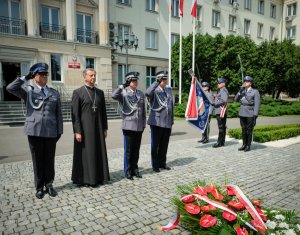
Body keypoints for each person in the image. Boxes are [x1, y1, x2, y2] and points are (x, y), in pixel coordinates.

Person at [6, 63, 63, 199]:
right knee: (37, 161)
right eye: (41, 74)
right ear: (35, 76)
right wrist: (25, 77)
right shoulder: (28, 91)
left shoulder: (54, 93)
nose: (44, 76)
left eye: (46, 74)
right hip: (34, 131)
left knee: (49, 160)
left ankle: (49, 185)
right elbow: (10, 88)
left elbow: (58, 114)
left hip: (50, 131)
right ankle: (39, 187)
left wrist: (59, 131)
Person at [71, 68, 110, 187]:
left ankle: (99, 177)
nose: (93, 77)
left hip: (98, 128)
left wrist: (105, 128)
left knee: (98, 152)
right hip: (85, 129)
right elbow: (75, 115)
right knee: (86, 154)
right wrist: (77, 131)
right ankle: (85, 179)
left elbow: (103, 112)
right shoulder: (78, 92)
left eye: (94, 75)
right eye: (91, 75)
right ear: (85, 77)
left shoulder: (100, 93)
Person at [112, 71, 146, 180]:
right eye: (133, 80)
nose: (135, 82)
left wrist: (144, 123)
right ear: (128, 81)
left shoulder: (140, 93)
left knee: (136, 149)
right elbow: (114, 95)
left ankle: (135, 169)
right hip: (128, 125)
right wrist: (122, 86)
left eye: (136, 80)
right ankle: (128, 171)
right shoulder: (124, 92)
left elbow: (143, 110)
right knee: (129, 150)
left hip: (139, 126)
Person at [146, 71, 174, 172]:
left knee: (164, 144)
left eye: (165, 79)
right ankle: (155, 165)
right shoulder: (155, 90)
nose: (165, 81)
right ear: (159, 80)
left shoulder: (168, 90)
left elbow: (171, 106)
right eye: (163, 79)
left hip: (167, 122)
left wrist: (171, 120)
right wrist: (155, 83)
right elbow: (147, 93)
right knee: (155, 145)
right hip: (157, 122)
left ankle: (162, 163)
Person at [234, 76, 260, 152]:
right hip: (242, 112)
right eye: (244, 81)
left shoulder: (255, 91)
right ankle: (244, 144)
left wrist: (255, 115)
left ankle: (248, 145)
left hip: (250, 113)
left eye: (247, 81)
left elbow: (257, 104)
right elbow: (235, 99)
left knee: (249, 130)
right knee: (243, 129)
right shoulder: (242, 91)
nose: (245, 82)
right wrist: (240, 91)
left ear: (250, 83)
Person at [212, 77, 229, 148]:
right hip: (220, 111)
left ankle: (219, 142)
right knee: (222, 127)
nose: (217, 84)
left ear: (223, 84)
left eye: (219, 83)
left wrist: (215, 104)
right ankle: (222, 142)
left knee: (221, 127)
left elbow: (224, 100)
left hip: (221, 111)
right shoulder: (221, 90)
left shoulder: (223, 90)